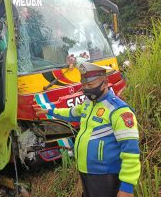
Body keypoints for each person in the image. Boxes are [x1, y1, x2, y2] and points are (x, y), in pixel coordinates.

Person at [35, 62, 140, 197]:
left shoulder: (119, 111)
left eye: (90, 85)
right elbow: (71, 112)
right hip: (86, 173)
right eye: (83, 85)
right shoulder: (88, 104)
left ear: (105, 82)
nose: (86, 89)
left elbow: (130, 151)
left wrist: (127, 187)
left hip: (106, 176)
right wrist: (49, 111)